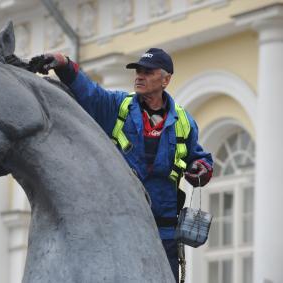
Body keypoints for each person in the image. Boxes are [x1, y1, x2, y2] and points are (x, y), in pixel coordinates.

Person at [29, 48, 213, 282]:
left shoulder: (184, 121)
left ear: (165, 80)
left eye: (148, 72)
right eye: (138, 71)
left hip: (163, 233)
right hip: (119, 227)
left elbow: (199, 157)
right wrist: (64, 64)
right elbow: (89, 93)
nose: (139, 76)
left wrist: (201, 168)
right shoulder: (118, 107)